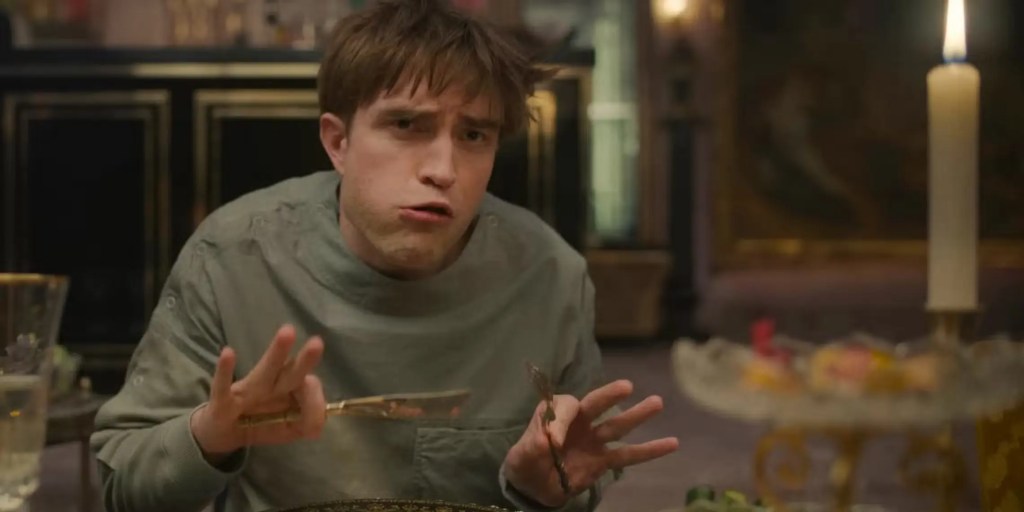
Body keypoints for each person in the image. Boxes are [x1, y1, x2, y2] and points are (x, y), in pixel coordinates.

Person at [90, 1, 679, 511]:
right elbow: (121, 486)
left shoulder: (551, 276)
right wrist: (210, 435)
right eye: (406, 125)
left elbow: (573, 475)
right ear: (338, 141)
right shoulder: (233, 256)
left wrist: (545, 489)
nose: (443, 170)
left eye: (474, 135)